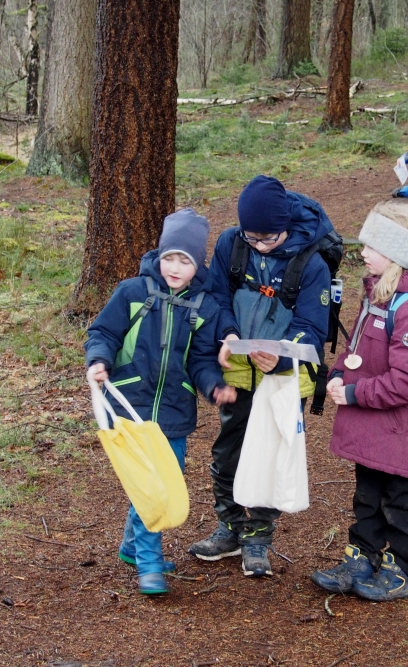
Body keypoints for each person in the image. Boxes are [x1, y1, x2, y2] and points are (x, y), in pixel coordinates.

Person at [85, 209, 237, 596]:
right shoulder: (132, 292)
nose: (174, 267)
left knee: (164, 481)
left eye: (184, 261)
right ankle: (150, 564)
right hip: (131, 407)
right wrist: (99, 361)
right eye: (169, 257)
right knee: (148, 487)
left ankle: (132, 547)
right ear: (160, 254)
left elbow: (202, 360)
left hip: (173, 412)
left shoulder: (203, 306)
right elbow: (103, 331)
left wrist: (214, 386)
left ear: (196, 263)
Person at [189, 175, 333, 578]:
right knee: (228, 449)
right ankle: (229, 527)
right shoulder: (231, 245)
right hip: (238, 368)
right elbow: (216, 296)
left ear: (285, 226)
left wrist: (282, 358)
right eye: (253, 238)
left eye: (269, 239)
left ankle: (258, 537)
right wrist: (228, 333)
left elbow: (311, 325)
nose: (260, 246)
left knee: (270, 453)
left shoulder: (311, 262)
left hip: (283, 377)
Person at [310, 200, 408, 601]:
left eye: (372, 246)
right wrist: (340, 373)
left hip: (400, 428)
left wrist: (355, 393)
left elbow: (406, 382)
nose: (363, 253)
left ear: (395, 253)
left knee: (399, 500)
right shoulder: (377, 293)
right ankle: (362, 556)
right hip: (372, 425)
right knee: (367, 493)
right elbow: (354, 346)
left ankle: (401, 567)